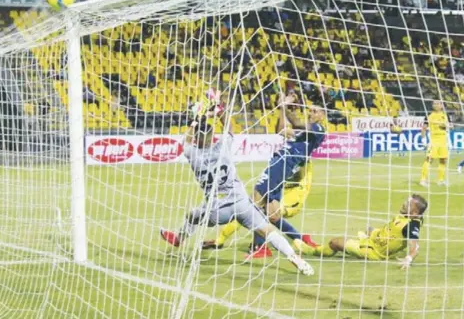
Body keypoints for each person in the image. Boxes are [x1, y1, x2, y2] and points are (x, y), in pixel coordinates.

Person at [159, 91, 314, 276]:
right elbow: (229, 128)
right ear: (212, 138)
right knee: (269, 231)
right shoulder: (222, 148)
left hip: (217, 208)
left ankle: (179, 238)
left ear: (197, 140)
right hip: (242, 203)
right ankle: (294, 257)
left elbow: (185, 141)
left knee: (192, 216)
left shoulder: (193, 155)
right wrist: (219, 111)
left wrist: (197, 118)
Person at [243, 94, 326, 258]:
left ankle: (259, 247)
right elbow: (281, 130)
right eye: (310, 111)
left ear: (322, 115)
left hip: (281, 165)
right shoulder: (302, 134)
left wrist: (285, 105)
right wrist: (281, 109)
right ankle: (300, 238)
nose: (311, 113)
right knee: (272, 215)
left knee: (254, 204)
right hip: (281, 165)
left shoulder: (318, 129)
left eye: (315, 111)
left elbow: (295, 122)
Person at [306, 194, 428, 269]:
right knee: (368, 228)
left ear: (414, 213)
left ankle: (311, 250)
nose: (404, 204)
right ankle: (366, 236)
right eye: (406, 201)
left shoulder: (411, 226)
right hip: (374, 238)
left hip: (372, 251)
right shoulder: (408, 218)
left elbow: (415, 246)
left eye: (408, 204)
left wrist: (409, 259)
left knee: (335, 242)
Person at [420, 100, 451, 187]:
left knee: (443, 160)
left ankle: (440, 180)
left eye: (438, 103)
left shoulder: (446, 115)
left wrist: (445, 126)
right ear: (432, 106)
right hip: (433, 141)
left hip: (443, 141)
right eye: (434, 104)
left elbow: (451, 126)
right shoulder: (429, 116)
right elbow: (423, 128)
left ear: (442, 105)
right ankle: (423, 180)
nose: (436, 105)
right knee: (429, 159)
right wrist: (423, 139)